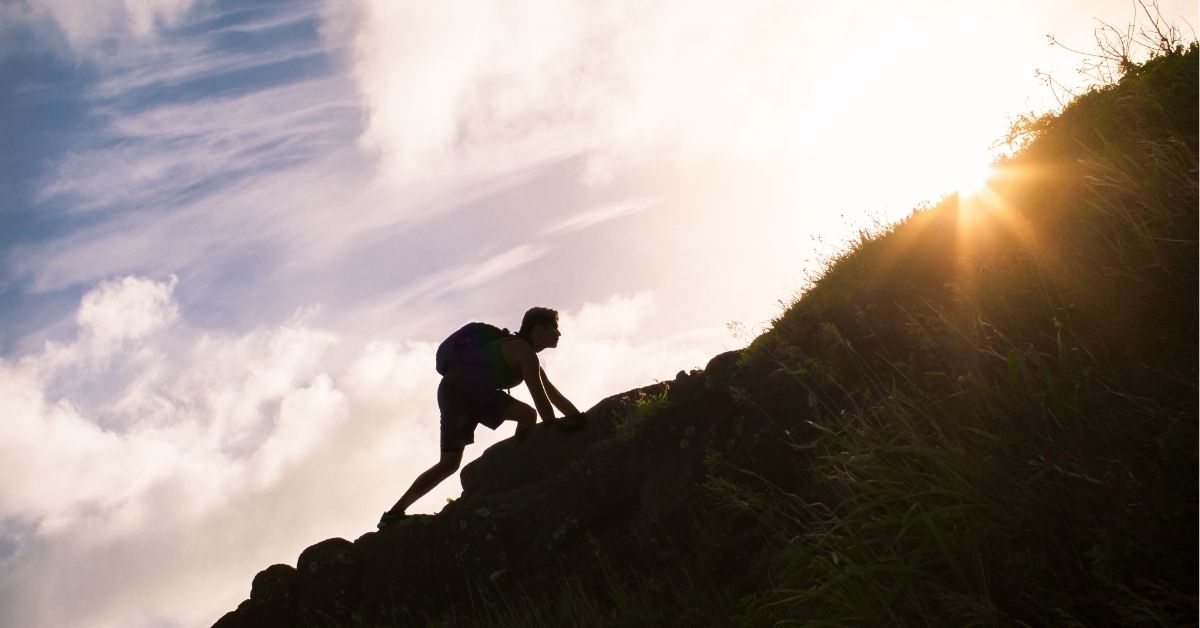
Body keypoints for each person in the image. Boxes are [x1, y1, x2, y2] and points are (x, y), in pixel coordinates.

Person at [378, 306, 581, 528]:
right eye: (554, 328)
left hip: (455, 390)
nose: (558, 333)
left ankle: (393, 515)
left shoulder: (524, 352)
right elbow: (539, 396)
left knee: (449, 463)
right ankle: (516, 471)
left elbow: (552, 394)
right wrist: (552, 429)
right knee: (526, 415)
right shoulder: (523, 351)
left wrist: (576, 417)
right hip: (464, 390)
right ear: (539, 329)